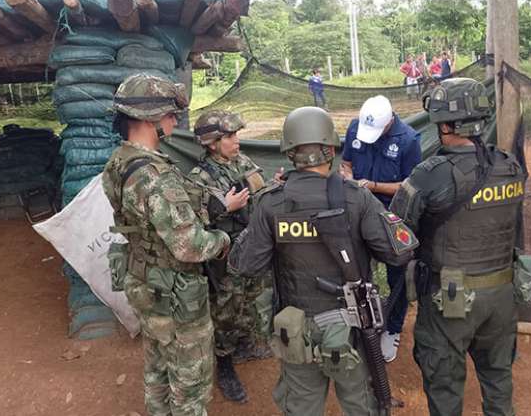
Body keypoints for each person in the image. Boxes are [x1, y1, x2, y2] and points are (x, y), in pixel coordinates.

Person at [228, 106, 419, 416]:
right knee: (360, 403)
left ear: (289, 152)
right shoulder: (356, 197)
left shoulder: (272, 202)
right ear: (331, 148)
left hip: (296, 327)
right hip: (351, 328)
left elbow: (245, 265)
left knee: (301, 406)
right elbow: (400, 250)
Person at [390, 77, 528, 416]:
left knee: (445, 384)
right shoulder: (509, 166)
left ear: (448, 125)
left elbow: (395, 236)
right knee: (498, 379)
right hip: (502, 294)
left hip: (449, 301)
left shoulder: (429, 174)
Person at [103, 74, 231, 416]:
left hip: (143, 279)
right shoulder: (154, 175)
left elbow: (146, 221)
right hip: (174, 291)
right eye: (170, 114)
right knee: (190, 380)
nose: (176, 121)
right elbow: (190, 246)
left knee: (158, 364)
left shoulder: (119, 162)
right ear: (149, 119)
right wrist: (223, 240)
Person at [188, 110, 271, 403]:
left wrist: (275, 186)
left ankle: (246, 344)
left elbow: (260, 192)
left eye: (236, 135)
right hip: (224, 255)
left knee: (250, 297)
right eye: (230, 136)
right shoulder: (200, 177)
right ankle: (224, 363)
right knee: (226, 309)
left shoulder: (242, 162)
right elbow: (191, 224)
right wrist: (225, 206)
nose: (237, 141)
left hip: (251, 248)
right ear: (212, 143)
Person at [340, 95, 421, 362]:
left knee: (397, 273)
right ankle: (364, 325)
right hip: (358, 213)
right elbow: (346, 163)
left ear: (389, 123)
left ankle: (393, 329)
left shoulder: (408, 139)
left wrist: (371, 186)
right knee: (358, 271)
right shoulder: (356, 127)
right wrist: (350, 179)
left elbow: (410, 185)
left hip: (392, 215)